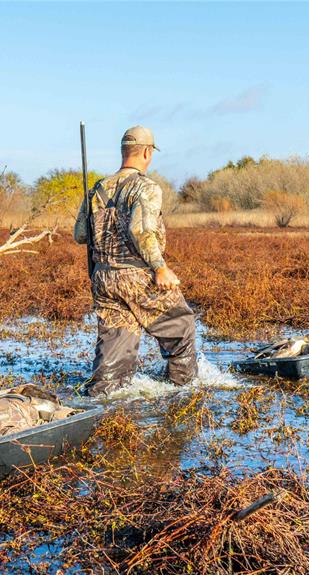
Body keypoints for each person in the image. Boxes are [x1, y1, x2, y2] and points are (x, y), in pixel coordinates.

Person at [74, 126, 198, 396]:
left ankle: (101, 399)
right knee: (181, 325)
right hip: (137, 277)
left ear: (123, 151)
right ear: (146, 152)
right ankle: (183, 391)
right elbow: (140, 230)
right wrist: (160, 268)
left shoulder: (96, 189)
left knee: (116, 346)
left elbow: (80, 234)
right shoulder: (146, 187)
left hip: (104, 279)